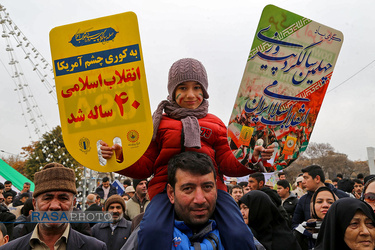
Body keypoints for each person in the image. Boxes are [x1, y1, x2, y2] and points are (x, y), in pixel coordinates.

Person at [101, 58, 274, 250]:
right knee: (152, 231)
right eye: (182, 88)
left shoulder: (215, 124)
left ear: (204, 91)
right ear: (172, 91)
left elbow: (226, 162)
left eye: (197, 87)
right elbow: (146, 164)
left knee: (238, 233)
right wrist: (120, 157)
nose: (190, 94)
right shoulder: (157, 124)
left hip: (213, 189)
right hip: (164, 192)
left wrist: (252, 158)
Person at [122, 151, 255, 250]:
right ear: (171, 193)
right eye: (188, 189)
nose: (200, 199)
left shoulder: (240, 234)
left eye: (207, 187)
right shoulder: (145, 234)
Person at [0, 162, 107, 249]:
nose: (55, 206)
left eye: (63, 198)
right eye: (47, 198)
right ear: (34, 204)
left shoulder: (95, 247)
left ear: (73, 204)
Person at [291, 165, 348, 230]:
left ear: (317, 179)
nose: (303, 182)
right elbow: (295, 224)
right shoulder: (303, 200)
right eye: (319, 201)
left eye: (306, 178)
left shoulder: (342, 197)